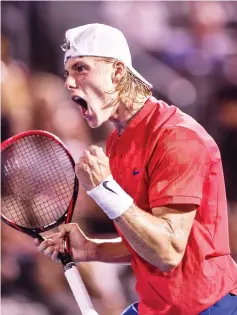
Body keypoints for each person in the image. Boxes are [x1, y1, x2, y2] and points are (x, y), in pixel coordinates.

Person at [34, 23, 237, 315]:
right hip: (156, 307)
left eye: (80, 68)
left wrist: (105, 189)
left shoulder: (178, 137)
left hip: (209, 307)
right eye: (67, 72)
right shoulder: (117, 141)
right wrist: (93, 249)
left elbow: (167, 252)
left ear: (117, 72)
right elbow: (146, 240)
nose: (68, 81)